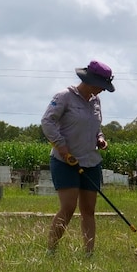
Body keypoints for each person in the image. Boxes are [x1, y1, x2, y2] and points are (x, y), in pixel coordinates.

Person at [41, 60, 115, 256]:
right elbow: (47, 122)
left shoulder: (96, 101)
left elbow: (95, 126)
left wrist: (100, 138)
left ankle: (89, 253)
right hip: (66, 161)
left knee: (89, 209)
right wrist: (62, 147)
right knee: (68, 207)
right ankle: (51, 250)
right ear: (90, 81)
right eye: (102, 86)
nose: (103, 91)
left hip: (91, 161)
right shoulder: (64, 97)